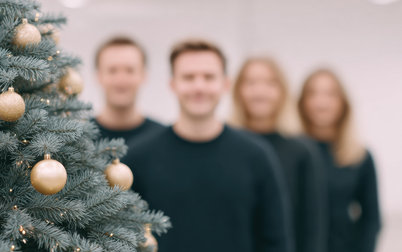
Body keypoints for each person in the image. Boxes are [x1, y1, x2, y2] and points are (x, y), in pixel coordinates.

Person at [124, 39, 292, 252]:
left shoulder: (257, 156)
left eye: (209, 77)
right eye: (189, 77)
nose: (199, 86)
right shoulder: (139, 158)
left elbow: (275, 241)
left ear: (225, 84)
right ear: (173, 84)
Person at [230, 57, 327, 252]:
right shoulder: (226, 148)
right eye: (250, 83)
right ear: (237, 91)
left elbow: (312, 226)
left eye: (270, 83)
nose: (260, 91)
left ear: (282, 91)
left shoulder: (302, 152)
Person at [298, 68, 381, 252]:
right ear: (302, 103)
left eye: (330, 94)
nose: (321, 102)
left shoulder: (359, 156)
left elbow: (371, 218)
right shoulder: (291, 153)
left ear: (343, 102)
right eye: (313, 94)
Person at [91, 36, 163, 145]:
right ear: (98, 76)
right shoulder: (77, 139)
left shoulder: (161, 138)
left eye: (130, 70)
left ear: (143, 75)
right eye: (112, 70)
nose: (121, 80)